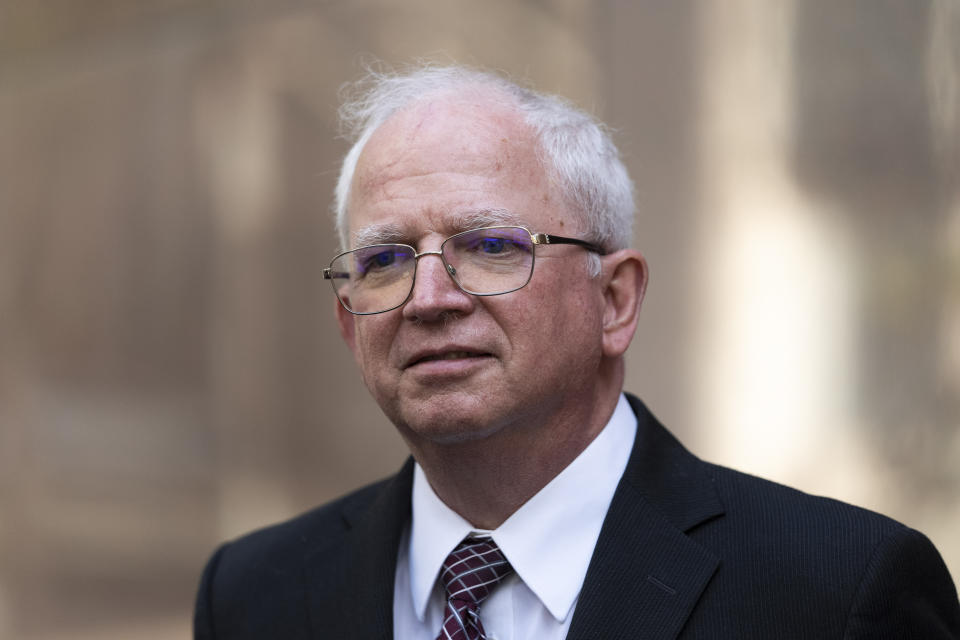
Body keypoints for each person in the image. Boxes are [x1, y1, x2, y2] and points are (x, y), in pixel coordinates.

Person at [193, 64, 960, 639]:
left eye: (491, 245)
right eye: (385, 260)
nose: (428, 299)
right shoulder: (254, 595)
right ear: (348, 321)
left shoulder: (837, 594)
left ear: (615, 301)